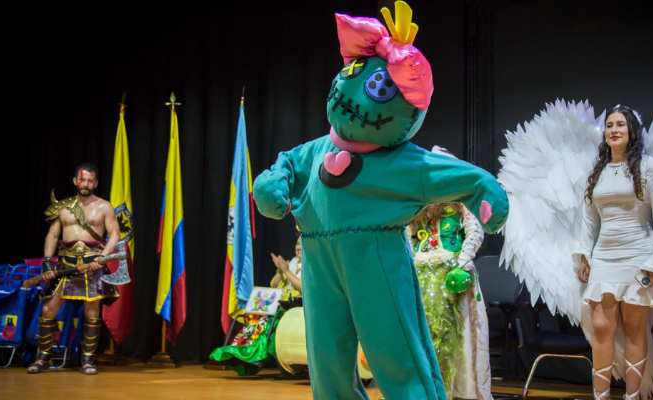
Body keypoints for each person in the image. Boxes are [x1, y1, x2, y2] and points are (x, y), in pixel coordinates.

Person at [252, 5, 509, 399]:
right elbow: (281, 169)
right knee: (327, 361)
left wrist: (486, 196)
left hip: (378, 263)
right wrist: (272, 190)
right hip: (322, 266)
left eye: (381, 89)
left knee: (397, 353)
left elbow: (463, 177)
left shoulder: (404, 162)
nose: (354, 98)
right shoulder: (314, 151)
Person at [573, 106, 653, 400]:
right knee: (602, 327)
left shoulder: (649, 167)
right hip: (604, 256)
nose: (613, 130)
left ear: (632, 131)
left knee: (634, 327)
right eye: (609, 125)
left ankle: (632, 397)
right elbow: (589, 218)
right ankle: (601, 397)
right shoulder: (598, 172)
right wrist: (584, 256)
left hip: (638, 257)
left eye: (620, 125)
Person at [28, 163, 121, 375]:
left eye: (90, 181)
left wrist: (103, 256)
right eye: (82, 180)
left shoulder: (104, 206)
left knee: (92, 312)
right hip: (65, 265)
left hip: (92, 263)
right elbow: (52, 235)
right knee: (48, 309)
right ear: (75, 181)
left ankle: (87, 360)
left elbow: (114, 234)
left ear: (96, 183)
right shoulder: (63, 207)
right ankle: (43, 358)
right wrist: (47, 262)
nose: (85, 184)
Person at [407, 199, 492, 400]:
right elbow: (408, 239)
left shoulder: (461, 204)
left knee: (459, 339)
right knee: (422, 335)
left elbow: (475, 231)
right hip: (421, 279)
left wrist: (463, 264)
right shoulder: (416, 207)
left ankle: (458, 394)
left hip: (453, 278)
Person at [209, 237, 303, 376]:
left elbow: (303, 288)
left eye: (301, 244)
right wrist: (280, 271)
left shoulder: (312, 265)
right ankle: (240, 350)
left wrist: (287, 272)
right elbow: (274, 286)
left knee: (266, 322)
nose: (298, 247)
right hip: (281, 306)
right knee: (255, 317)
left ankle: (252, 356)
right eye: (296, 244)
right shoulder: (292, 263)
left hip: (295, 310)